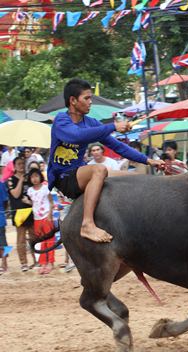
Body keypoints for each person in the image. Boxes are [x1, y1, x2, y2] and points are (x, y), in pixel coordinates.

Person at [48, 78, 164, 243]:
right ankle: (87, 224)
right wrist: (113, 127)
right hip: (64, 178)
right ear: (73, 101)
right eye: (86, 98)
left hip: (80, 173)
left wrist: (148, 161)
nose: (90, 103)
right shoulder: (61, 120)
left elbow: (118, 147)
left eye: (90, 98)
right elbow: (76, 136)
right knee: (99, 169)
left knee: (134, 178)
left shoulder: (91, 123)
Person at [7, 156, 36, 271]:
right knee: (21, 239)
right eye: (18, 164)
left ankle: (36, 260)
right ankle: (24, 263)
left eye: (23, 163)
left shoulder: (29, 178)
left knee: (34, 237)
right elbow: (15, 194)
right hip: (19, 212)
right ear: (14, 166)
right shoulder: (11, 180)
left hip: (30, 210)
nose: (21, 166)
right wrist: (20, 179)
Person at [25, 169, 55, 274]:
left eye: (36, 176)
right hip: (36, 218)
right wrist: (27, 201)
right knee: (40, 241)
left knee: (50, 241)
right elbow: (34, 203)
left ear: (40, 177)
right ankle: (43, 263)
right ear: (30, 178)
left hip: (46, 217)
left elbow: (51, 202)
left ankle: (50, 262)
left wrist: (50, 215)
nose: (34, 179)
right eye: (32, 177)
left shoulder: (45, 188)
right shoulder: (30, 191)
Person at [0, 180, 8, 274]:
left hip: (0, 218)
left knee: (3, 242)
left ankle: (4, 263)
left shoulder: (1, 184)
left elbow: (5, 201)